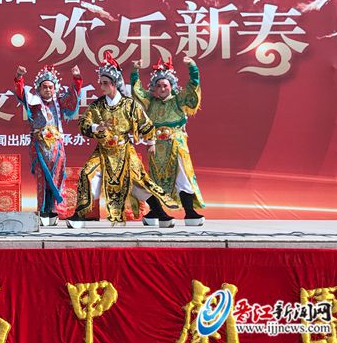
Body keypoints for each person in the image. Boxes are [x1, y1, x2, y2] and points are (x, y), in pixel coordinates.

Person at [66, 51, 178, 228]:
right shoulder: (97, 105)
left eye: (105, 83)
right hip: (103, 151)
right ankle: (80, 213)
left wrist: (151, 142)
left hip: (124, 149)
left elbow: (145, 123)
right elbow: (83, 122)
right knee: (87, 173)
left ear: (114, 83)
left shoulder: (129, 104)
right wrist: (96, 127)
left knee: (138, 179)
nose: (102, 86)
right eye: (101, 82)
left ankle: (158, 212)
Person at [131, 56, 205, 226]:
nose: (162, 88)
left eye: (165, 85)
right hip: (156, 147)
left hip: (176, 145)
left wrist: (192, 67)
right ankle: (155, 212)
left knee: (182, 177)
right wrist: (135, 71)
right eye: (158, 85)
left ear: (171, 86)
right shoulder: (151, 103)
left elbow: (193, 87)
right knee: (155, 179)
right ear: (154, 88)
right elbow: (137, 91)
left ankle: (190, 212)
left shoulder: (178, 100)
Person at [14, 64, 82, 226]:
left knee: (57, 177)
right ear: (39, 88)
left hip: (57, 148)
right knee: (42, 178)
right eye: (44, 87)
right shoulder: (34, 101)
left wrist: (76, 79)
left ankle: (54, 210)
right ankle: (43, 210)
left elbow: (73, 98)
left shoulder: (59, 101)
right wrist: (19, 77)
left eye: (51, 87)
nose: (48, 90)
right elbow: (21, 93)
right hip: (39, 146)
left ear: (55, 88)